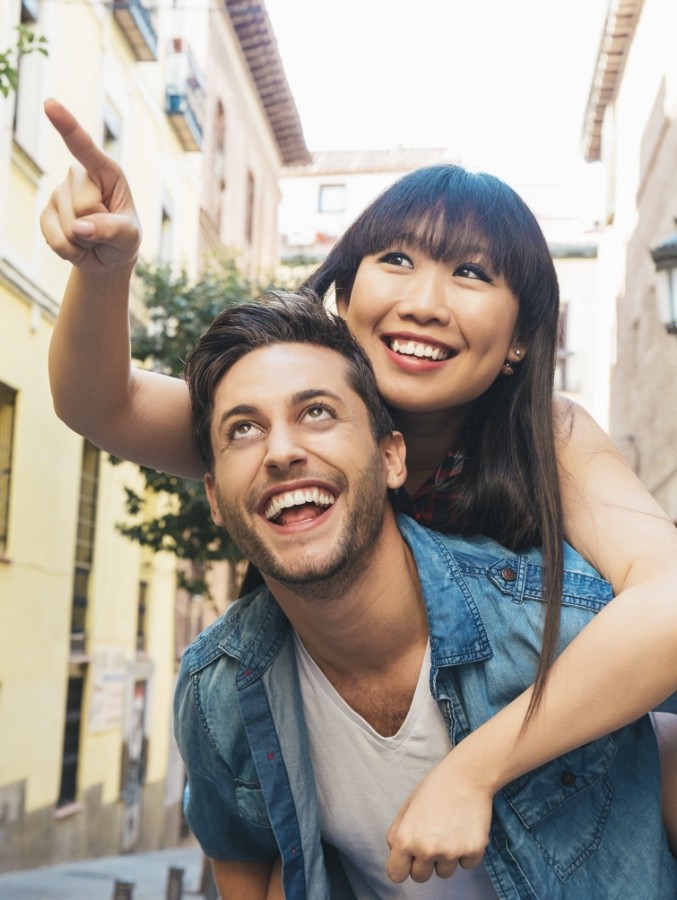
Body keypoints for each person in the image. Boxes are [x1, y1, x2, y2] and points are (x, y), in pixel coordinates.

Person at [40, 99, 677, 874]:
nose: (424, 302)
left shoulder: (547, 433)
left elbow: (667, 596)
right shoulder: (289, 426)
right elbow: (99, 404)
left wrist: (473, 769)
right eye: (397, 260)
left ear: (518, 341)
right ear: (342, 291)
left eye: (471, 273)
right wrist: (103, 276)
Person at [173, 291, 676, 898]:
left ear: (390, 457)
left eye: (316, 413)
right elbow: (247, 868)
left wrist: (473, 773)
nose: (281, 451)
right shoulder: (218, 690)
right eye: (244, 429)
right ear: (213, 499)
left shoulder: (560, 625)